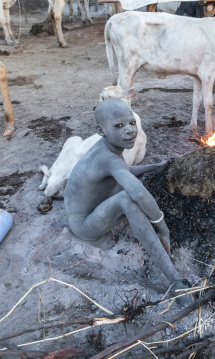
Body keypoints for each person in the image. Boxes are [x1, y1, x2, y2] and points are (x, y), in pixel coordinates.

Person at [64, 99, 186, 295]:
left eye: (132, 122)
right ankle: (175, 280)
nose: (129, 130)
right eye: (119, 126)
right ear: (101, 130)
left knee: (131, 189)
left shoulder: (107, 148)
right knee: (128, 198)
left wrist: (155, 166)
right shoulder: (108, 158)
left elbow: (125, 170)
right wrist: (162, 228)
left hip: (92, 208)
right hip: (84, 226)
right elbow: (137, 192)